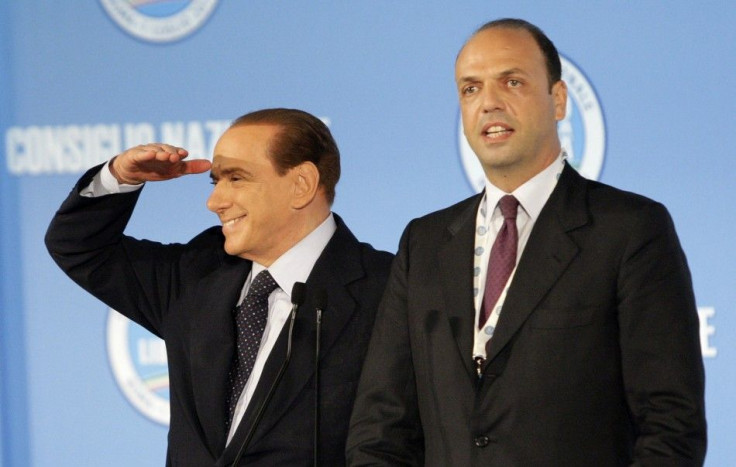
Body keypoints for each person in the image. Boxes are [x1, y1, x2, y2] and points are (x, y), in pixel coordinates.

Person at [346, 18, 706, 466]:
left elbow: (670, 425)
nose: (489, 103)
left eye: (511, 82)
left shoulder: (629, 229)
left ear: (558, 100)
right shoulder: (425, 242)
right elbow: (380, 428)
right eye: (470, 89)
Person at [45, 108, 394, 466]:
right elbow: (79, 247)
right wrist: (119, 177)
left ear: (301, 184)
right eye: (215, 181)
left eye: (236, 178)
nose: (214, 202)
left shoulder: (391, 290)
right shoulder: (196, 274)